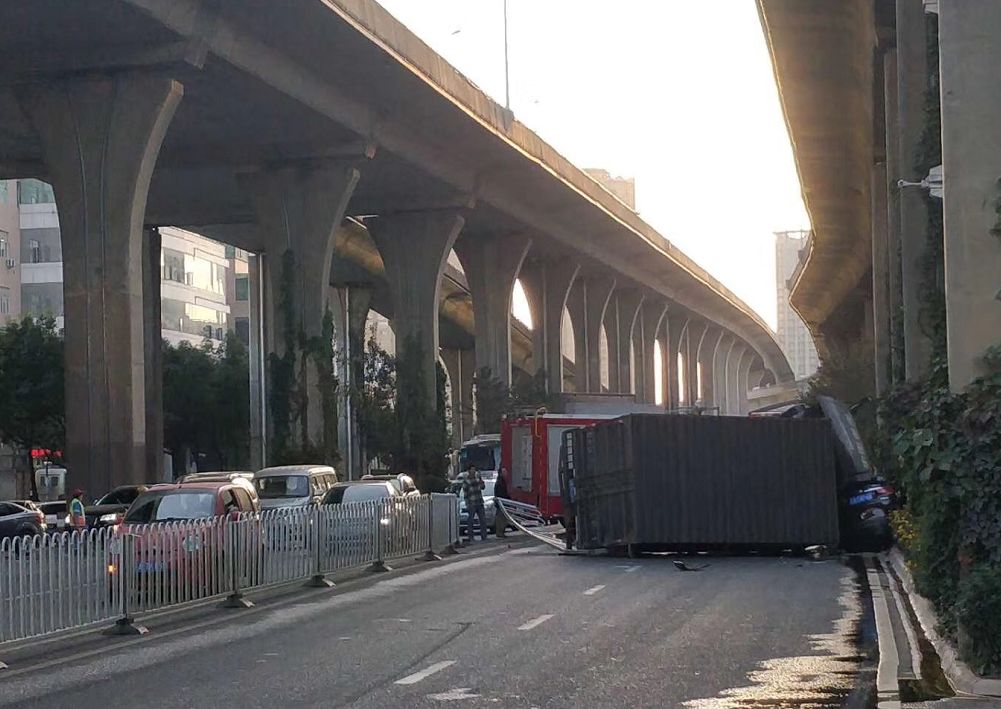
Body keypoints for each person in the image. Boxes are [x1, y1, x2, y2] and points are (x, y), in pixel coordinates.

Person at [462, 466, 487, 542]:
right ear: (468, 471)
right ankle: (471, 536)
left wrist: (480, 479)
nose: (473, 471)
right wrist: (467, 503)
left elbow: (483, 487)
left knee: (482, 520)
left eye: (474, 469)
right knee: (471, 520)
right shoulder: (466, 481)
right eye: (472, 469)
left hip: (479, 501)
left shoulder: (477, 479)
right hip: (472, 502)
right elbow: (465, 493)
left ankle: (484, 536)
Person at [494, 468, 510, 538]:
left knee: (503, 518)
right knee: (501, 518)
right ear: (500, 473)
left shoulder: (503, 481)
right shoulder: (500, 482)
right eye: (504, 472)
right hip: (501, 503)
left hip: (502, 502)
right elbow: (501, 493)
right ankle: (500, 532)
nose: (506, 473)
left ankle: (501, 532)